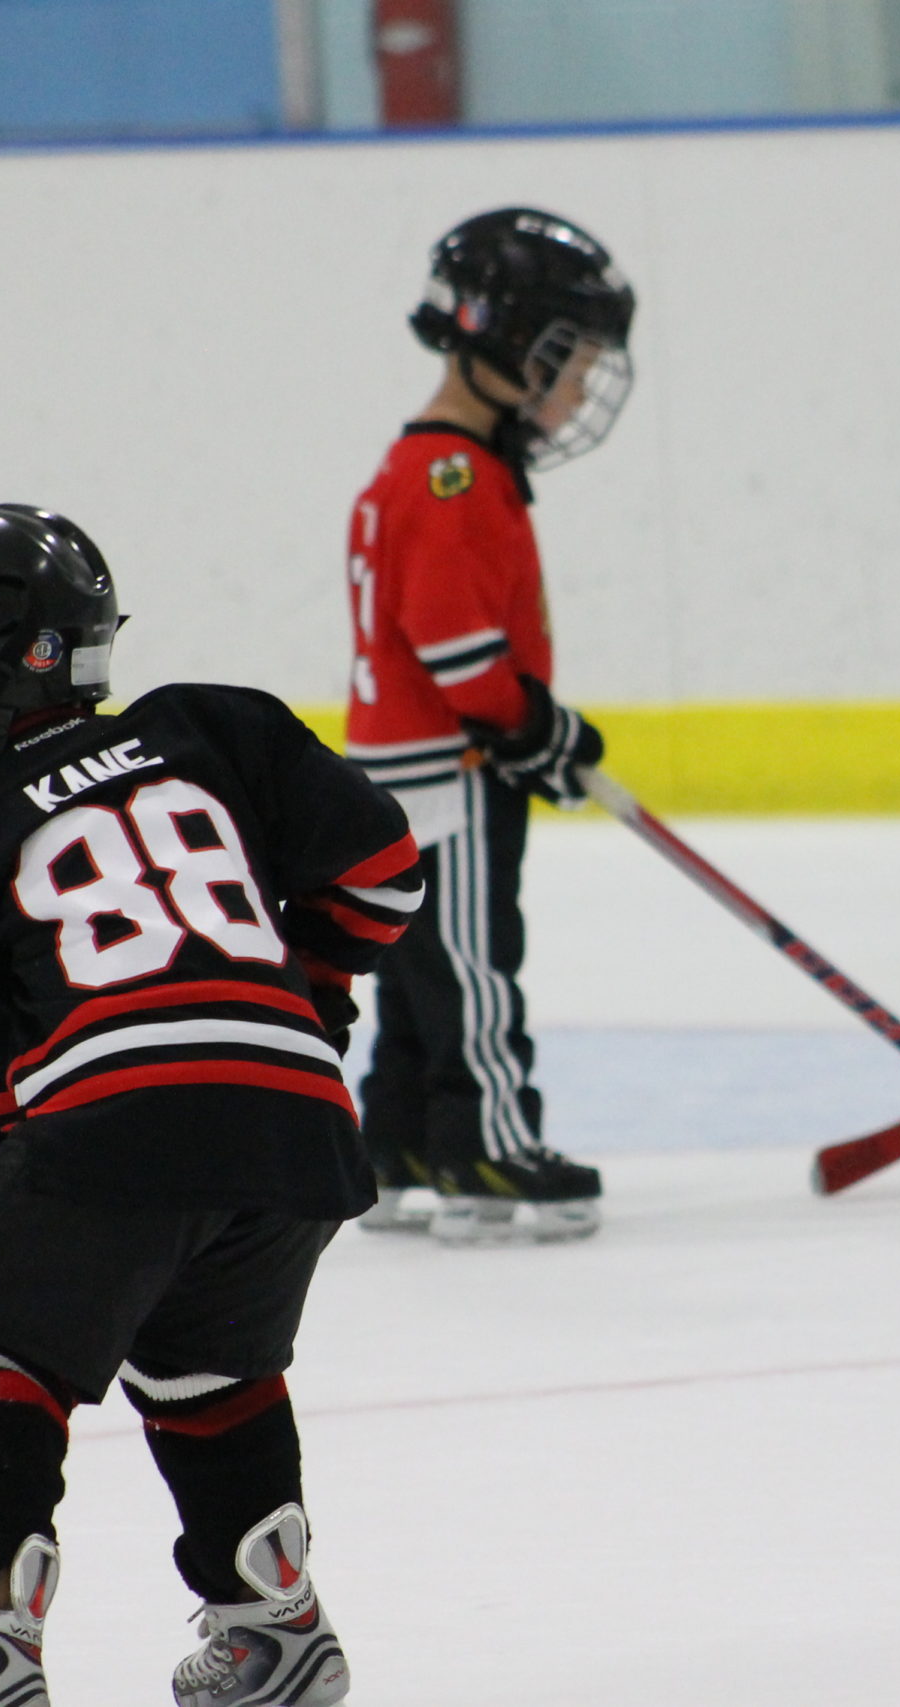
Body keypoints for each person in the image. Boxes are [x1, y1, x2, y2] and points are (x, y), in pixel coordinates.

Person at [0, 507, 421, 1707]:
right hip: (298, 1126)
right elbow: (381, 879)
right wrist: (298, 1004)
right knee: (205, 1362)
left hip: (115, 1127)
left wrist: (17, 1241)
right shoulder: (214, 727)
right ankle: (276, 1632)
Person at [341, 206, 633, 1244]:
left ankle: (403, 1146)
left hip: (401, 774)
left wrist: (534, 732)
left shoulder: (425, 465)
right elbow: (459, 654)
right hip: (449, 777)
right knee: (469, 965)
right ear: (506, 342)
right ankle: (490, 1146)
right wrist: (537, 729)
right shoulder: (450, 476)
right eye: (570, 362)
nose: (580, 391)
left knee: (420, 977)